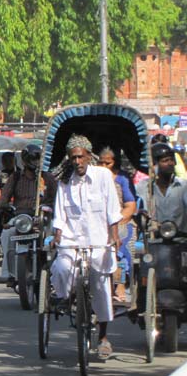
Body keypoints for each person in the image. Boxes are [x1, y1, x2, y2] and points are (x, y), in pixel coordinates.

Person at [51, 134, 121, 359]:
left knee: (100, 287)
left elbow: (112, 210)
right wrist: (58, 235)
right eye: (73, 158)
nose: (77, 162)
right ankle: (67, 298)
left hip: (99, 241)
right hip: (72, 243)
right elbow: (60, 214)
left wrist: (114, 236)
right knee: (61, 269)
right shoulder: (65, 181)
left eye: (81, 157)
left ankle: (103, 337)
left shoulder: (103, 176)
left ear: (89, 157)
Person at [0, 143, 56, 286]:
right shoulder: (16, 177)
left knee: (55, 237)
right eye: (33, 158)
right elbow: (3, 198)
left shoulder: (47, 178)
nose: (35, 161)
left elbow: (57, 199)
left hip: (45, 218)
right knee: (6, 235)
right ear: (24, 160)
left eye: (38, 158)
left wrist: (50, 207)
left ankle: (55, 271)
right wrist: (3, 206)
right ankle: (10, 273)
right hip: (22, 219)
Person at [97, 147, 137, 303]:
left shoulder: (122, 179)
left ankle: (119, 285)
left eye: (108, 163)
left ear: (114, 163)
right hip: (97, 221)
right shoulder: (91, 178)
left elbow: (130, 206)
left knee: (119, 245)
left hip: (120, 220)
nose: (104, 166)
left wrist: (115, 220)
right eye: (101, 163)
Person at [137, 143, 187, 232]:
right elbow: (141, 212)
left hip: (180, 239)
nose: (170, 163)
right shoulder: (144, 187)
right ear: (154, 165)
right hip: (154, 239)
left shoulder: (183, 186)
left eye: (172, 160)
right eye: (165, 160)